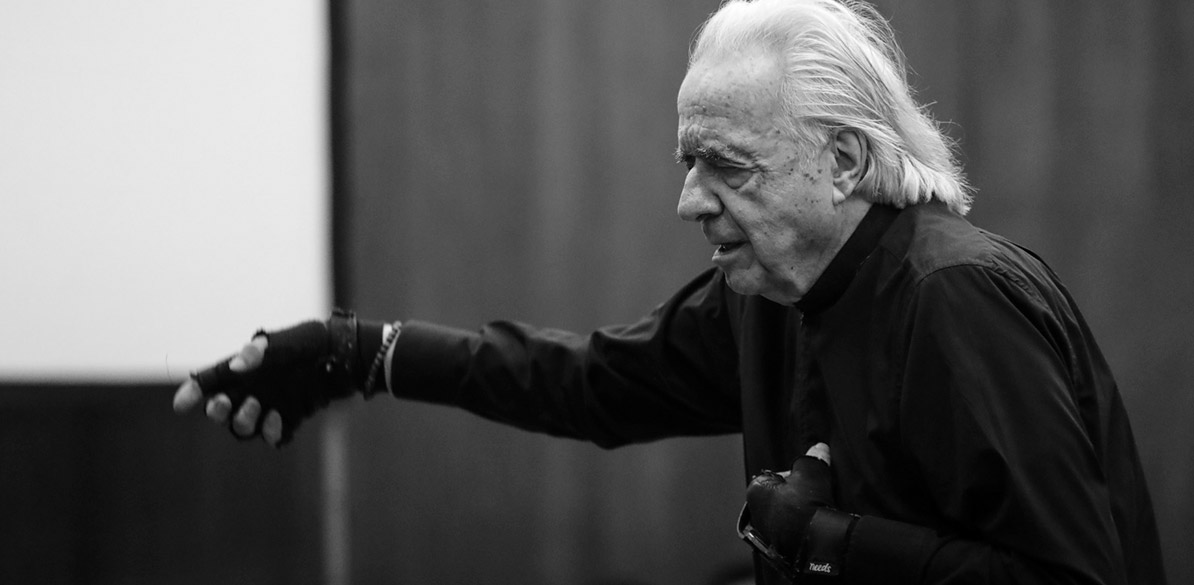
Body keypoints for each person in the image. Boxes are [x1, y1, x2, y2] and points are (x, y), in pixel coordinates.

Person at [173, 0, 1166, 583]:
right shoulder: (771, 293)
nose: (690, 200)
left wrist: (823, 540)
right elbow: (589, 383)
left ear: (846, 159)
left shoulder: (953, 300)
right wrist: (360, 351)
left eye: (726, 164)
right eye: (690, 162)